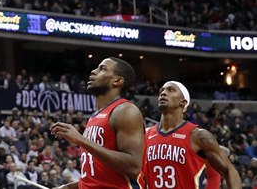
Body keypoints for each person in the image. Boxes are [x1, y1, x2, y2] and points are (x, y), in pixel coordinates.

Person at [50, 57, 144, 189]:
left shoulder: (125, 111)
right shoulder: (95, 116)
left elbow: (133, 167)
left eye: (102, 69)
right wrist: (66, 187)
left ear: (117, 81)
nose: (93, 72)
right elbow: (96, 178)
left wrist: (82, 140)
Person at [140, 81, 241, 189]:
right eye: (161, 91)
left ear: (183, 102)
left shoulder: (198, 136)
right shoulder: (145, 134)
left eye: (171, 90)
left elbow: (230, 171)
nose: (163, 93)